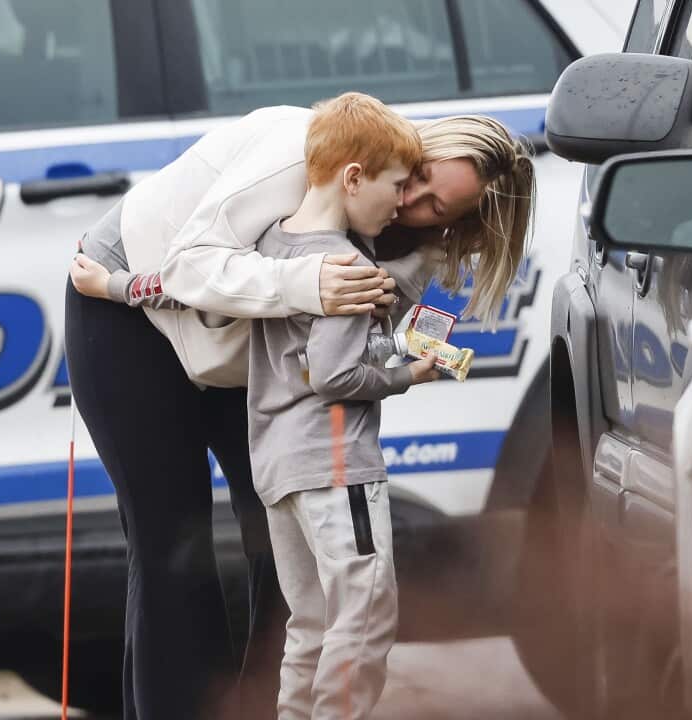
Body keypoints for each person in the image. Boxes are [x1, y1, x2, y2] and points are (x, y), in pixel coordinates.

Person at [65, 103, 535, 720]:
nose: (410, 202)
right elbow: (187, 266)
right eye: (417, 176)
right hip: (132, 315)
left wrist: (405, 300)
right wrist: (309, 284)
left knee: (281, 542)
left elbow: (346, 348)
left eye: (436, 208)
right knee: (172, 545)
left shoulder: (401, 232)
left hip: (247, 349)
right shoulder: (304, 152)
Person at [246, 92, 438, 720]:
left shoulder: (271, 246)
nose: (402, 202)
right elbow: (334, 375)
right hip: (334, 462)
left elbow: (311, 359)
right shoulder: (347, 265)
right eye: (398, 186)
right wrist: (407, 374)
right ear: (354, 178)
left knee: (310, 623)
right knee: (364, 612)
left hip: (279, 464)